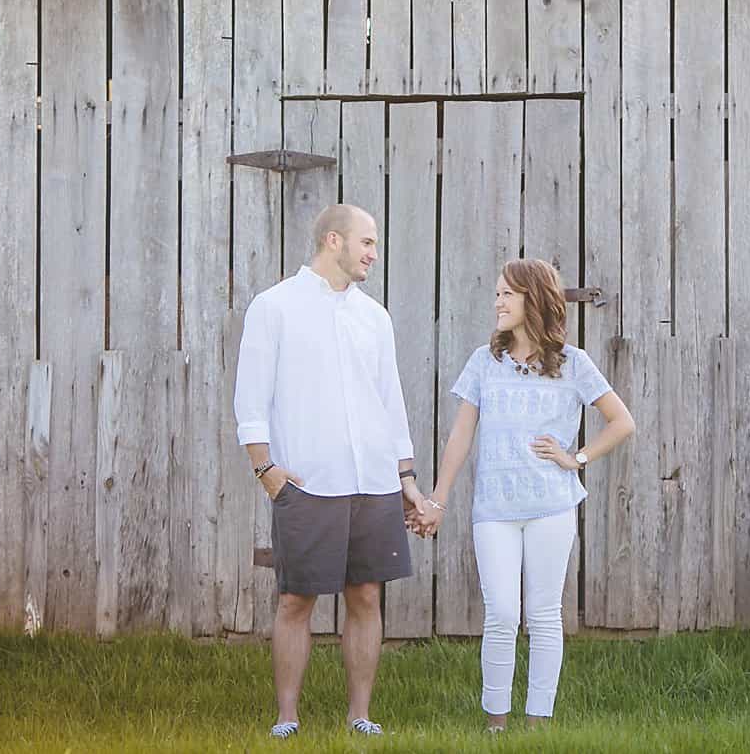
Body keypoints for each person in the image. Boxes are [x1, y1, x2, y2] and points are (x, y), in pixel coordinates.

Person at [412, 258, 637, 732]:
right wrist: (437, 499)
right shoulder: (483, 361)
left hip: (551, 507)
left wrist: (575, 458)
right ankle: (496, 725)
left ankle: (537, 725)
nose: (497, 302)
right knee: (500, 614)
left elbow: (621, 422)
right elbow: (460, 437)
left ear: (533, 298)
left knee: (543, 615)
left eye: (507, 294)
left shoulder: (574, 364)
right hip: (493, 510)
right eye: (496, 293)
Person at [233, 203, 427, 740]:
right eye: (367, 242)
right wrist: (265, 469)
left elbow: (392, 402)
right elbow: (250, 398)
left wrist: (405, 477)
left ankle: (360, 716)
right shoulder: (274, 307)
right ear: (334, 241)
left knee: (366, 596)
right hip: (308, 483)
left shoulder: (374, 317)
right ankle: (286, 718)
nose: (373, 254)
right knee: (296, 599)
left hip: (375, 483)